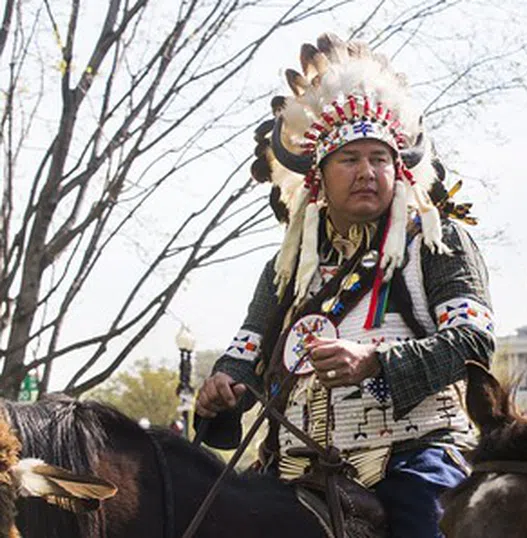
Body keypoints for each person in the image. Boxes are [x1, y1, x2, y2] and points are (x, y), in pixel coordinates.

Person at [194, 33, 494, 538]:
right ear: (318, 178)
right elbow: (244, 353)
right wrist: (222, 388)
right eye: (349, 160)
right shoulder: (286, 268)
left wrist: (372, 361)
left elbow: (473, 342)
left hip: (412, 457)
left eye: (379, 159)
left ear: (398, 171)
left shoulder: (436, 245)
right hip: (293, 468)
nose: (368, 172)